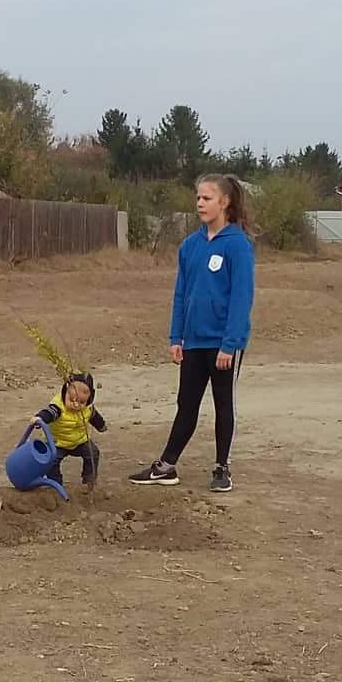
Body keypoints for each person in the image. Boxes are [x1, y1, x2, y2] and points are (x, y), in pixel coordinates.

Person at [131, 173, 255, 494]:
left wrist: (229, 345)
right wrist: (176, 337)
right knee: (186, 404)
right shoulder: (190, 246)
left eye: (207, 198)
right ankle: (167, 466)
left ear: (224, 202)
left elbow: (241, 298)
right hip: (194, 341)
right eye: (198, 197)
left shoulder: (238, 245)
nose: (200, 203)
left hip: (223, 345)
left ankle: (222, 468)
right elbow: (180, 294)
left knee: (223, 404)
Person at [28, 371, 107, 493]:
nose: (76, 405)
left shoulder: (87, 409)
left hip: (79, 441)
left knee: (93, 452)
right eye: (72, 400)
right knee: (51, 461)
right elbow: (49, 413)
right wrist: (40, 418)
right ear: (65, 393)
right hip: (57, 443)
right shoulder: (58, 407)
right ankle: (56, 484)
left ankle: (89, 479)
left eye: (81, 402)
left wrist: (101, 426)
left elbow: (95, 417)